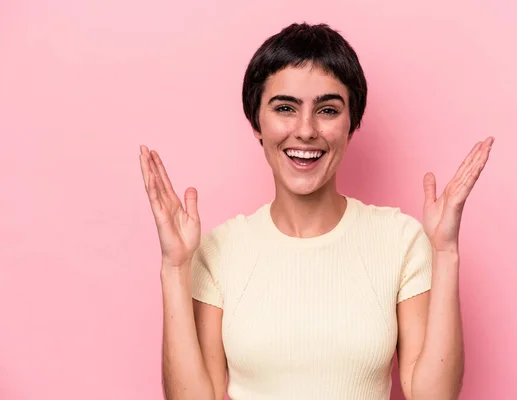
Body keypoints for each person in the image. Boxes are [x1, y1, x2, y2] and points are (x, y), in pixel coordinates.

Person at [139, 22, 493, 400]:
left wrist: (445, 252)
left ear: (350, 124)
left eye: (327, 109)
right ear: (257, 122)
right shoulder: (218, 251)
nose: (306, 130)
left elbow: (433, 397)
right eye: (285, 108)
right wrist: (175, 268)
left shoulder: (400, 240)